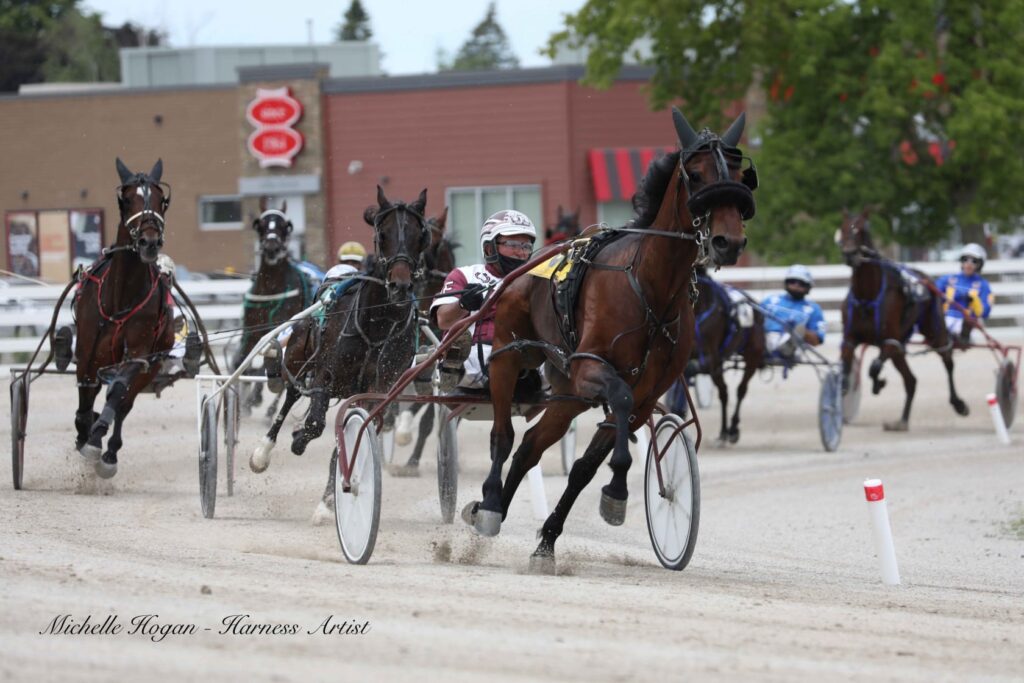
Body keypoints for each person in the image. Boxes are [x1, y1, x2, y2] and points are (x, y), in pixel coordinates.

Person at [429, 209, 537, 390]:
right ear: (489, 247)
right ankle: (453, 367)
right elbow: (443, 320)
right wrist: (463, 304)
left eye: (526, 246)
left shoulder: (538, 281)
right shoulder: (465, 275)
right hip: (477, 352)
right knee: (477, 359)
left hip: (527, 353)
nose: (521, 253)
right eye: (513, 244)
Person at [761, 264, 826, 360]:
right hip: (764, 339)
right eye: (792, 281)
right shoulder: (770, 301)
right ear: (786, 283)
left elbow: (817, 340)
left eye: (801, 283)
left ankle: (782, 349)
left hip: (792, 346)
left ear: (808, 287)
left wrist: (799, 331)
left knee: (797, 331)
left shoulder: (813, 309)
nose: (796, 285)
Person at [935, 243, 993, 344]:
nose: (968, 263)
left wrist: (973, 300)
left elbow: (985, 312)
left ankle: (959, 338)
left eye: (974, 261)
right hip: (945, 318)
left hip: (966, 322)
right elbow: (934, 293)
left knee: (965, 325)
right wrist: (944, 298)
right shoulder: (948, 279)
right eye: (965, 259)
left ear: (979, 264)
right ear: (961, 261)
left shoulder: (983, 285)